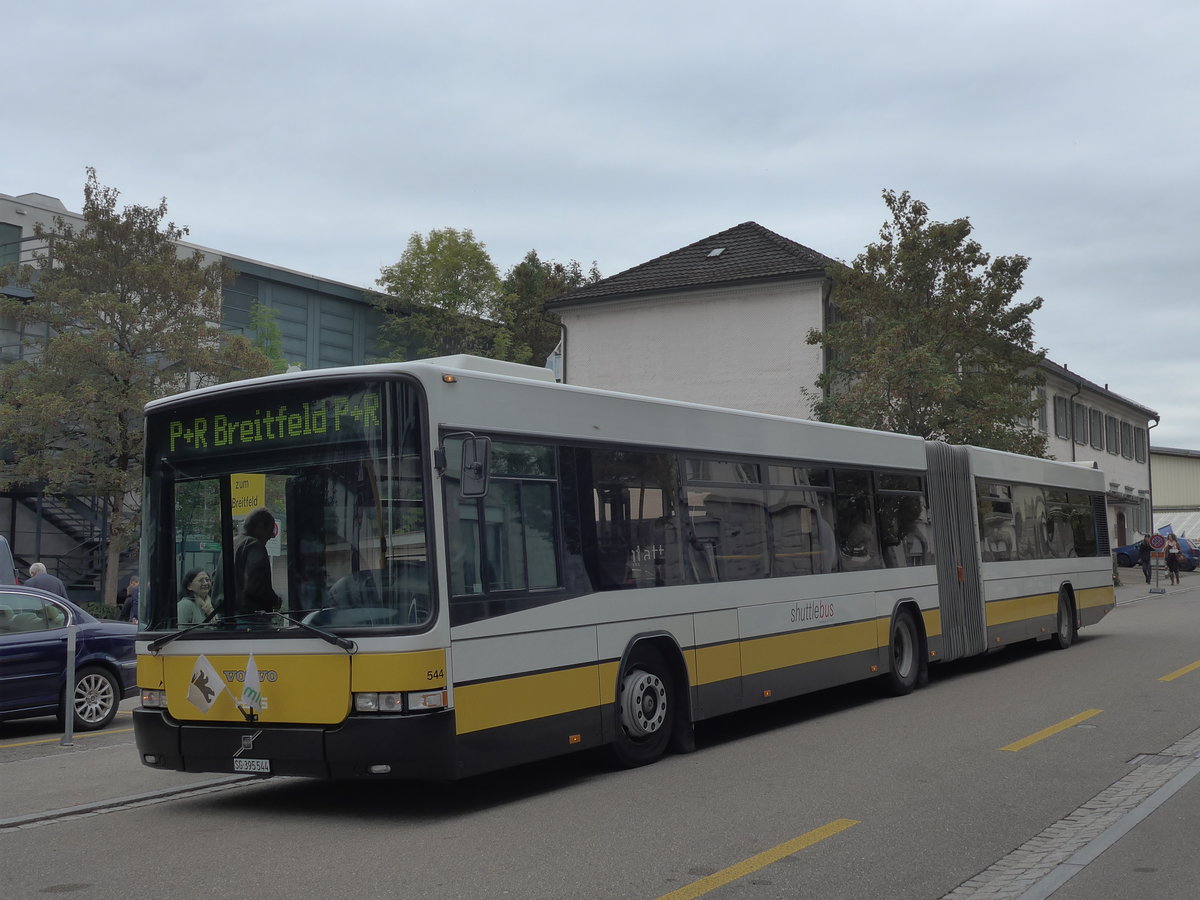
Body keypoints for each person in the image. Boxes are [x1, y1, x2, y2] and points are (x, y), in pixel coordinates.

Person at [232, 507, 282, 615]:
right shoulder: (254, 545)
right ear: (259, 527)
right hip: (250, 618)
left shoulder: (232, 543)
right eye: (270, 530)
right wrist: (275, 600)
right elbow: (255, 586)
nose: (272, 536)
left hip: (228, 617)